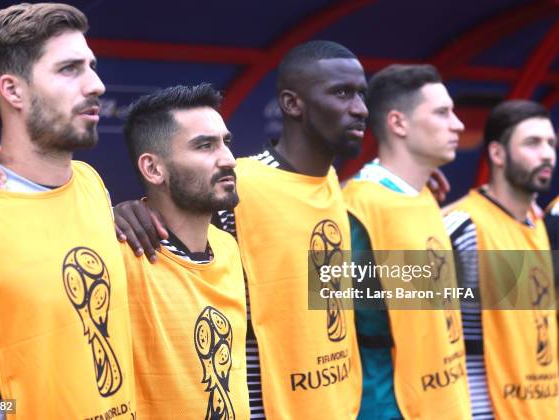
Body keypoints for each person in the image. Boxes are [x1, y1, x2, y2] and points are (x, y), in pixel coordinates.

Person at [111, 40, 366, 419]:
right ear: (292, 104)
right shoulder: (242, 189)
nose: (360, 108)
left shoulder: (338, 187)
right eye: (343, 93)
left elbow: (352, 290)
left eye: (363, 93)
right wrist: (112, 217)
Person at [0, 3, 136, 418]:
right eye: (70, 69)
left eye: (92, 65)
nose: (98, 84)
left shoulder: (91, 184)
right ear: (13, 91)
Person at [342, 64, 471, 419]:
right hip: (386, 407)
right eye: (443, 113)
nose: (457, 124)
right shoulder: (357, 207)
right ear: (398, 123)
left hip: (445, 402)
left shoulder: (423, 195)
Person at [121, 84, 249, 418]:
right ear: (153, 169)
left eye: (226, 142)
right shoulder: (121, 252)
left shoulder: (227, 247)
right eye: (205, 146)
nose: (229, 159)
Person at [443, 99, 558, 419]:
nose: (547, 153)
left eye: (551, 143)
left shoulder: (541, 228)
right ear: (497, 154)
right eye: (532, 143)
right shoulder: (462, 226)